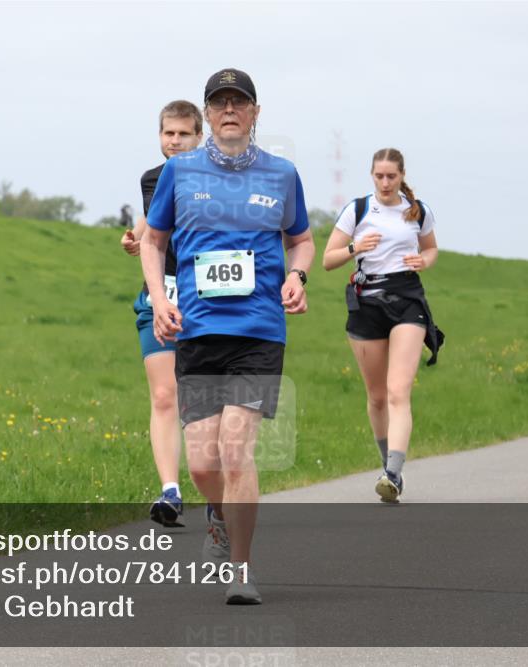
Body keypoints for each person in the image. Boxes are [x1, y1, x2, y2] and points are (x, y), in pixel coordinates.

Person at [141, 68, 315, 604]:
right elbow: (152, 241)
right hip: (195, 330)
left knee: (236, 450)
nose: (230, 109)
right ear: (208, 113)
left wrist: (296, 274)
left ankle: (241, 569)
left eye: (240, 101)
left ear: (256, 113)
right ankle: (217, 514)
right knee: (201, 464)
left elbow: (302, 240)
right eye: (220, 102)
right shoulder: (182, 171)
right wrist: (160, 297)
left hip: (259, 331)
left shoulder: (282, 174)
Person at [322, 148, 441, 504]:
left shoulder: (418, 211)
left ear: (402, 175)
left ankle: (393, 472)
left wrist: (424, 260)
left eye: (392, 176)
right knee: (376, 397)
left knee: (397, 392)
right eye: (379, 176)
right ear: (371, 176)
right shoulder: (358, 210)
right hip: (367, 302)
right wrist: (356, 246)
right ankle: (386, 463)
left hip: (407, 299)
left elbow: (432, 249)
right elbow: (328, 260)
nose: (386, 182)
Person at [120, 100, 203, 527]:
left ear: (199, 137)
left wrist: (138, 233)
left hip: (207, 298)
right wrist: (136, 237)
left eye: (183, 134)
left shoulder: (218, 177)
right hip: (162, 293)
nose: (175, 141)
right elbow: (161, 219)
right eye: (168, 133)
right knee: (165, 394)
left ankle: (219, 485)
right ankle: (170, 490)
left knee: (204, 399)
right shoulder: (153, 178)